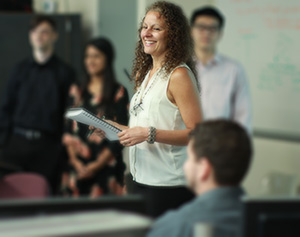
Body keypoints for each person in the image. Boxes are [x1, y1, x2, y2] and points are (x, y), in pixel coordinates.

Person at [93, 1, 202, 217]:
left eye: (156, 28)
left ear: (173, 35)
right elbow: (145, 127)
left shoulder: (178, 75)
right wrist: (114, 127)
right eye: (144, 27)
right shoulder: (147, 74)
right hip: (139, 180)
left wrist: (148, 134)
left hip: (169, 186)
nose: (147, 33)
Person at [0, 15, 77, 194]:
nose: (39, 36)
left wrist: (62, 151)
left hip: (48, 148)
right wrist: (4, 143)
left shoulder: (65, 73)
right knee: (12, 199)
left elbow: (69, 113)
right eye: (35, 32)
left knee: (43, 201)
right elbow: (6, 107)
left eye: (44, 32)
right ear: (30, 36)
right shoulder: (19, 70)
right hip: (16, 146)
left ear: (54, 36)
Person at [147, 120, 252, 237]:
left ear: (204, 168)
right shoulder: (267, 221)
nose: (185, 165)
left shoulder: (176, 226)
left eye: (189, 157)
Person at [62, 37, 129, 197]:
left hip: (106, 169)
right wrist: (76, 162)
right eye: (87, 56)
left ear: (108, 58)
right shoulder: (76, 90)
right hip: (77, 169)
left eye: (96, 56)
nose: (90, 61)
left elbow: (120, 135)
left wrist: (96, 165)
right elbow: (67, 131)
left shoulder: (118, 92)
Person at [190, 6, 252, 134]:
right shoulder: (180, 67)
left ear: (220, 33)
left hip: (219, 145)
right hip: (184, 145)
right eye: (201, 27)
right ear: (191, 31)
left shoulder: (233, 70)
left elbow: (243, 115)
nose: (206, 33)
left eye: (212, 28)